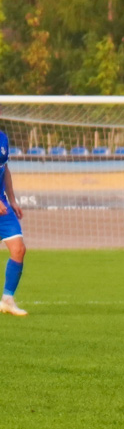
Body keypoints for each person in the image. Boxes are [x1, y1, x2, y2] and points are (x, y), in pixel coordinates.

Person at [0, 132, 26, 317]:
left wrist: (13, 200)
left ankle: (8, 299)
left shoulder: (3, 137)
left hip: (3, 206)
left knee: (18, 249)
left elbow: (5, 169)